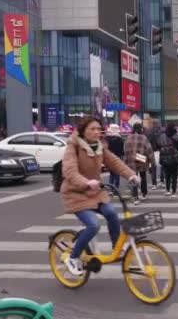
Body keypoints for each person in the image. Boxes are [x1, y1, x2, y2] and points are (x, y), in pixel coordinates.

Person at [61, 117, 140, 276]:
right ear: (84, 131)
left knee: (112, 213)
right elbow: (69, 171)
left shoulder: (100, 147)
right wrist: (86, 182)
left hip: (95, 192)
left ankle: (116, 246)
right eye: (92, 129)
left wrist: (131, 175)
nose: (97, 132)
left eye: (99, 129)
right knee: (93, 225)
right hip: (76, 193)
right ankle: (72, 257)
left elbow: (114, 162)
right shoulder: (73, 146)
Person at [124, 123, 155, 205]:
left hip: (131, 159)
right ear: (140, 129)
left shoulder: (128, 138)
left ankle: (135, 197)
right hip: (141, 158)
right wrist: (152, 161)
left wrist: (126, 161)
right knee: (143, 175)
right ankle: (144, 193)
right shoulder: (143, 137)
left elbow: (125, 150)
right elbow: (149, 150)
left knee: (133, 177)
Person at [158, 123, 178, 197]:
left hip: (165, 159)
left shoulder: (162, 137)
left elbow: (158, 146)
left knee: (167, 175)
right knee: (174, 175)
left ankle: (168, 190)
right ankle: (174, 191)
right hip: (175, 159)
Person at [104, 124, 124, 189]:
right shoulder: (120, 139)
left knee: (111, 173)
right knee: (117, 173)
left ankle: (111, 187)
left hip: (108, 159)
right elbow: (122, 151)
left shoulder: (106, 139)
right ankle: (116, 188)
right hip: (117, 158)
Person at [146, 119, 164, 189]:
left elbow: (148, 142)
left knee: (153, 168)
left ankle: (154, 184)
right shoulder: (161, 131)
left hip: (152, 151)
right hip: (160, 150)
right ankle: (161, 181)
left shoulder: (148, 131)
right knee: (162, 166)